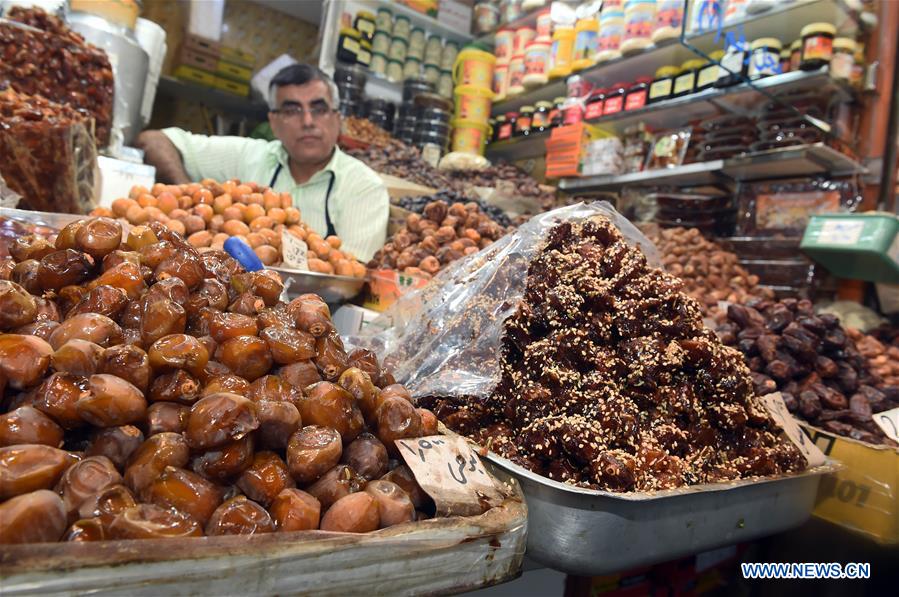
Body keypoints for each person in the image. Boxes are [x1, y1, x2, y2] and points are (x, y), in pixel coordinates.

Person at [136, 64, 388, 262]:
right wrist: (190, 199)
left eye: (319, 109)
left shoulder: (364, 186)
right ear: (274, 122)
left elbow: (354, 275)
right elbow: (154, 139)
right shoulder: (251, 155)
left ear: (337, 118)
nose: (308, 121)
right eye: (292, 110)